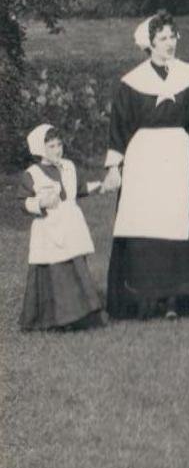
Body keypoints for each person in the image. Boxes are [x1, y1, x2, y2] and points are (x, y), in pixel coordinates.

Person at [102, 12, 189, 320]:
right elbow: (120, 127)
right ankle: (144, 299)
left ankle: (176, 300)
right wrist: (115, 167)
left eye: (172, 36)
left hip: (177, 159)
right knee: (145, 227)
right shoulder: (131, 83)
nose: (169, 43)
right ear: (150, 42)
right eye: (163, 38)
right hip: (142, 162)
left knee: (179, 223)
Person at [19, 124, 105, 332]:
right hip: (49, 227)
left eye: (59, 145)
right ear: (40, 149)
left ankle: (82, 315)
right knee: (54, 270)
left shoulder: (68, 166)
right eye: (51, 146)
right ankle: (56, 318)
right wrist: (40, 203)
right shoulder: (32, 174)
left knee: (75, 264)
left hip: (71, 223)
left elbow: (79, 189)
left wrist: (102, 186)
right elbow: (23, 202)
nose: (57, 150)